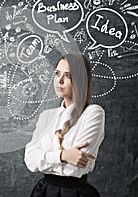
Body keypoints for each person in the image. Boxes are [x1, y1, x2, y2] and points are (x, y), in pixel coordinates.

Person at [24, 53, 105, 197]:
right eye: (57, 73)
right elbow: (30, 160)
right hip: (44, 191)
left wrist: (45, 158)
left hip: (75, 193)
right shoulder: (46, 116)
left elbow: (75, 169)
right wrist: (63, 156)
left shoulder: (93, 113)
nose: (59, 80)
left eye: (67, 75)